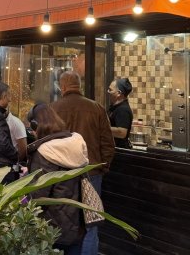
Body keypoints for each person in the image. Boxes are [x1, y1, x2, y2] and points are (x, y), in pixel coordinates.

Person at [51, 71, 114, 255]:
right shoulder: (97, 108)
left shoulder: (53, 109)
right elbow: (108, 144)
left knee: (61, 221)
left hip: (61, 175)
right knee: (90, 222)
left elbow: (46, 144)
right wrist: (101, 167)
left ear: (62, 87)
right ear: (79, 86)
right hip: (91, 173)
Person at [27, 103, 88, 254]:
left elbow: (38, 196)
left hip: (52, 228)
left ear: (36, 125)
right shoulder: (76, 143)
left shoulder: (44, 152)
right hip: (78, 224)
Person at [108, 77, 134, 149]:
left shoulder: (123, 110)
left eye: (110, 90)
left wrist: (101, 128)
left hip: (119, 151)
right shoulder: (115, 107)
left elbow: (122, 132)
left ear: (119, 93)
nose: (108, 92)